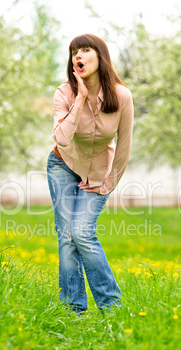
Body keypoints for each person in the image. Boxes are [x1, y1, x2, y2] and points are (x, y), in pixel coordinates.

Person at [47, 34, 134, 313]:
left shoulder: (121, 96)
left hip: (98, 173)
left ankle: (112, 306)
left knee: (82, 232)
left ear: (100, 56)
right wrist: (81, 99)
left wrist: (109, 182)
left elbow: (124, 144)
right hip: (63, 164)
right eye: (74, 52)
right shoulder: (64, 93)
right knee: (68, 236)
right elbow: (61, 138)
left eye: (85, 50)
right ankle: (74, 309)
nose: (78, 56)